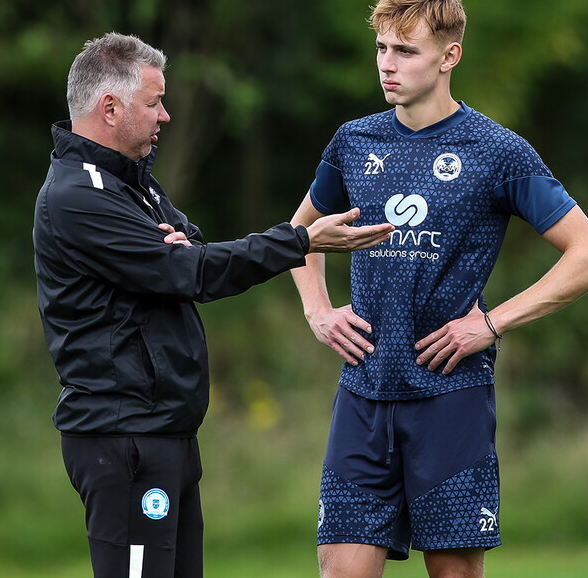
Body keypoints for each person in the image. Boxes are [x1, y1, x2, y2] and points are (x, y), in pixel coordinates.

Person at [33, 32, 393, 578]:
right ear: (110, 107)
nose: (166, 115)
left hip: (166, 432)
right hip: (123, 435)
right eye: (154, 102)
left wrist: (179, 257)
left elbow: (193, 247)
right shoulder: (77, 196)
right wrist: (301, 241)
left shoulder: (134, 183)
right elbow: (192, 270)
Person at [290, 0, 588, 578]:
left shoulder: (497, 150)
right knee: (340, 570)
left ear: (449, 56)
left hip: (450, 397)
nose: (388, 64)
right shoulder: (354, 141)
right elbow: (300, 237)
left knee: (454, 573)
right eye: (383, 48)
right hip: (364, 392)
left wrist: (491, 324)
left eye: (406, 51)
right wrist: (319, 310)